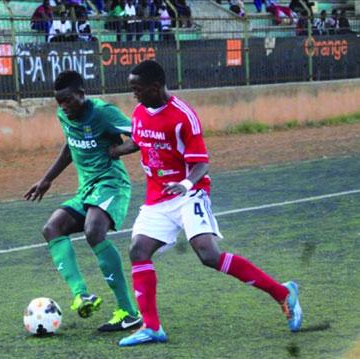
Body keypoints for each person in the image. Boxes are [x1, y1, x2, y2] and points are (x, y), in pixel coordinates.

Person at [109, 60, 302, 346]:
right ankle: (152, 328)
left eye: (137, 89)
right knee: (138, 250)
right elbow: (139, 140)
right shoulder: (139, 112)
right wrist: (112, 151)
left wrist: (185, 185)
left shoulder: (183, 116)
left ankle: (282, 293)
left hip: (190, 194)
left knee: (209, 255)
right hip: (157, 198)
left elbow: (202, 164)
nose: (133, 95)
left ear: (154, 87)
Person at [24, 70, 142, 332]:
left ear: (81, 94)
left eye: (68, 101)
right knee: (52, 228)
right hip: (87, 188)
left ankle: (129, 311)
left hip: (111, 183)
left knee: (93, 231)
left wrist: (117, 150)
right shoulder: (64, 115)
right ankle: (81, 294)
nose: (64, 107)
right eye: (59, 103)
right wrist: (47, 179)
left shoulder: (102, 112)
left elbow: (140, 136)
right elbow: (70, 146)